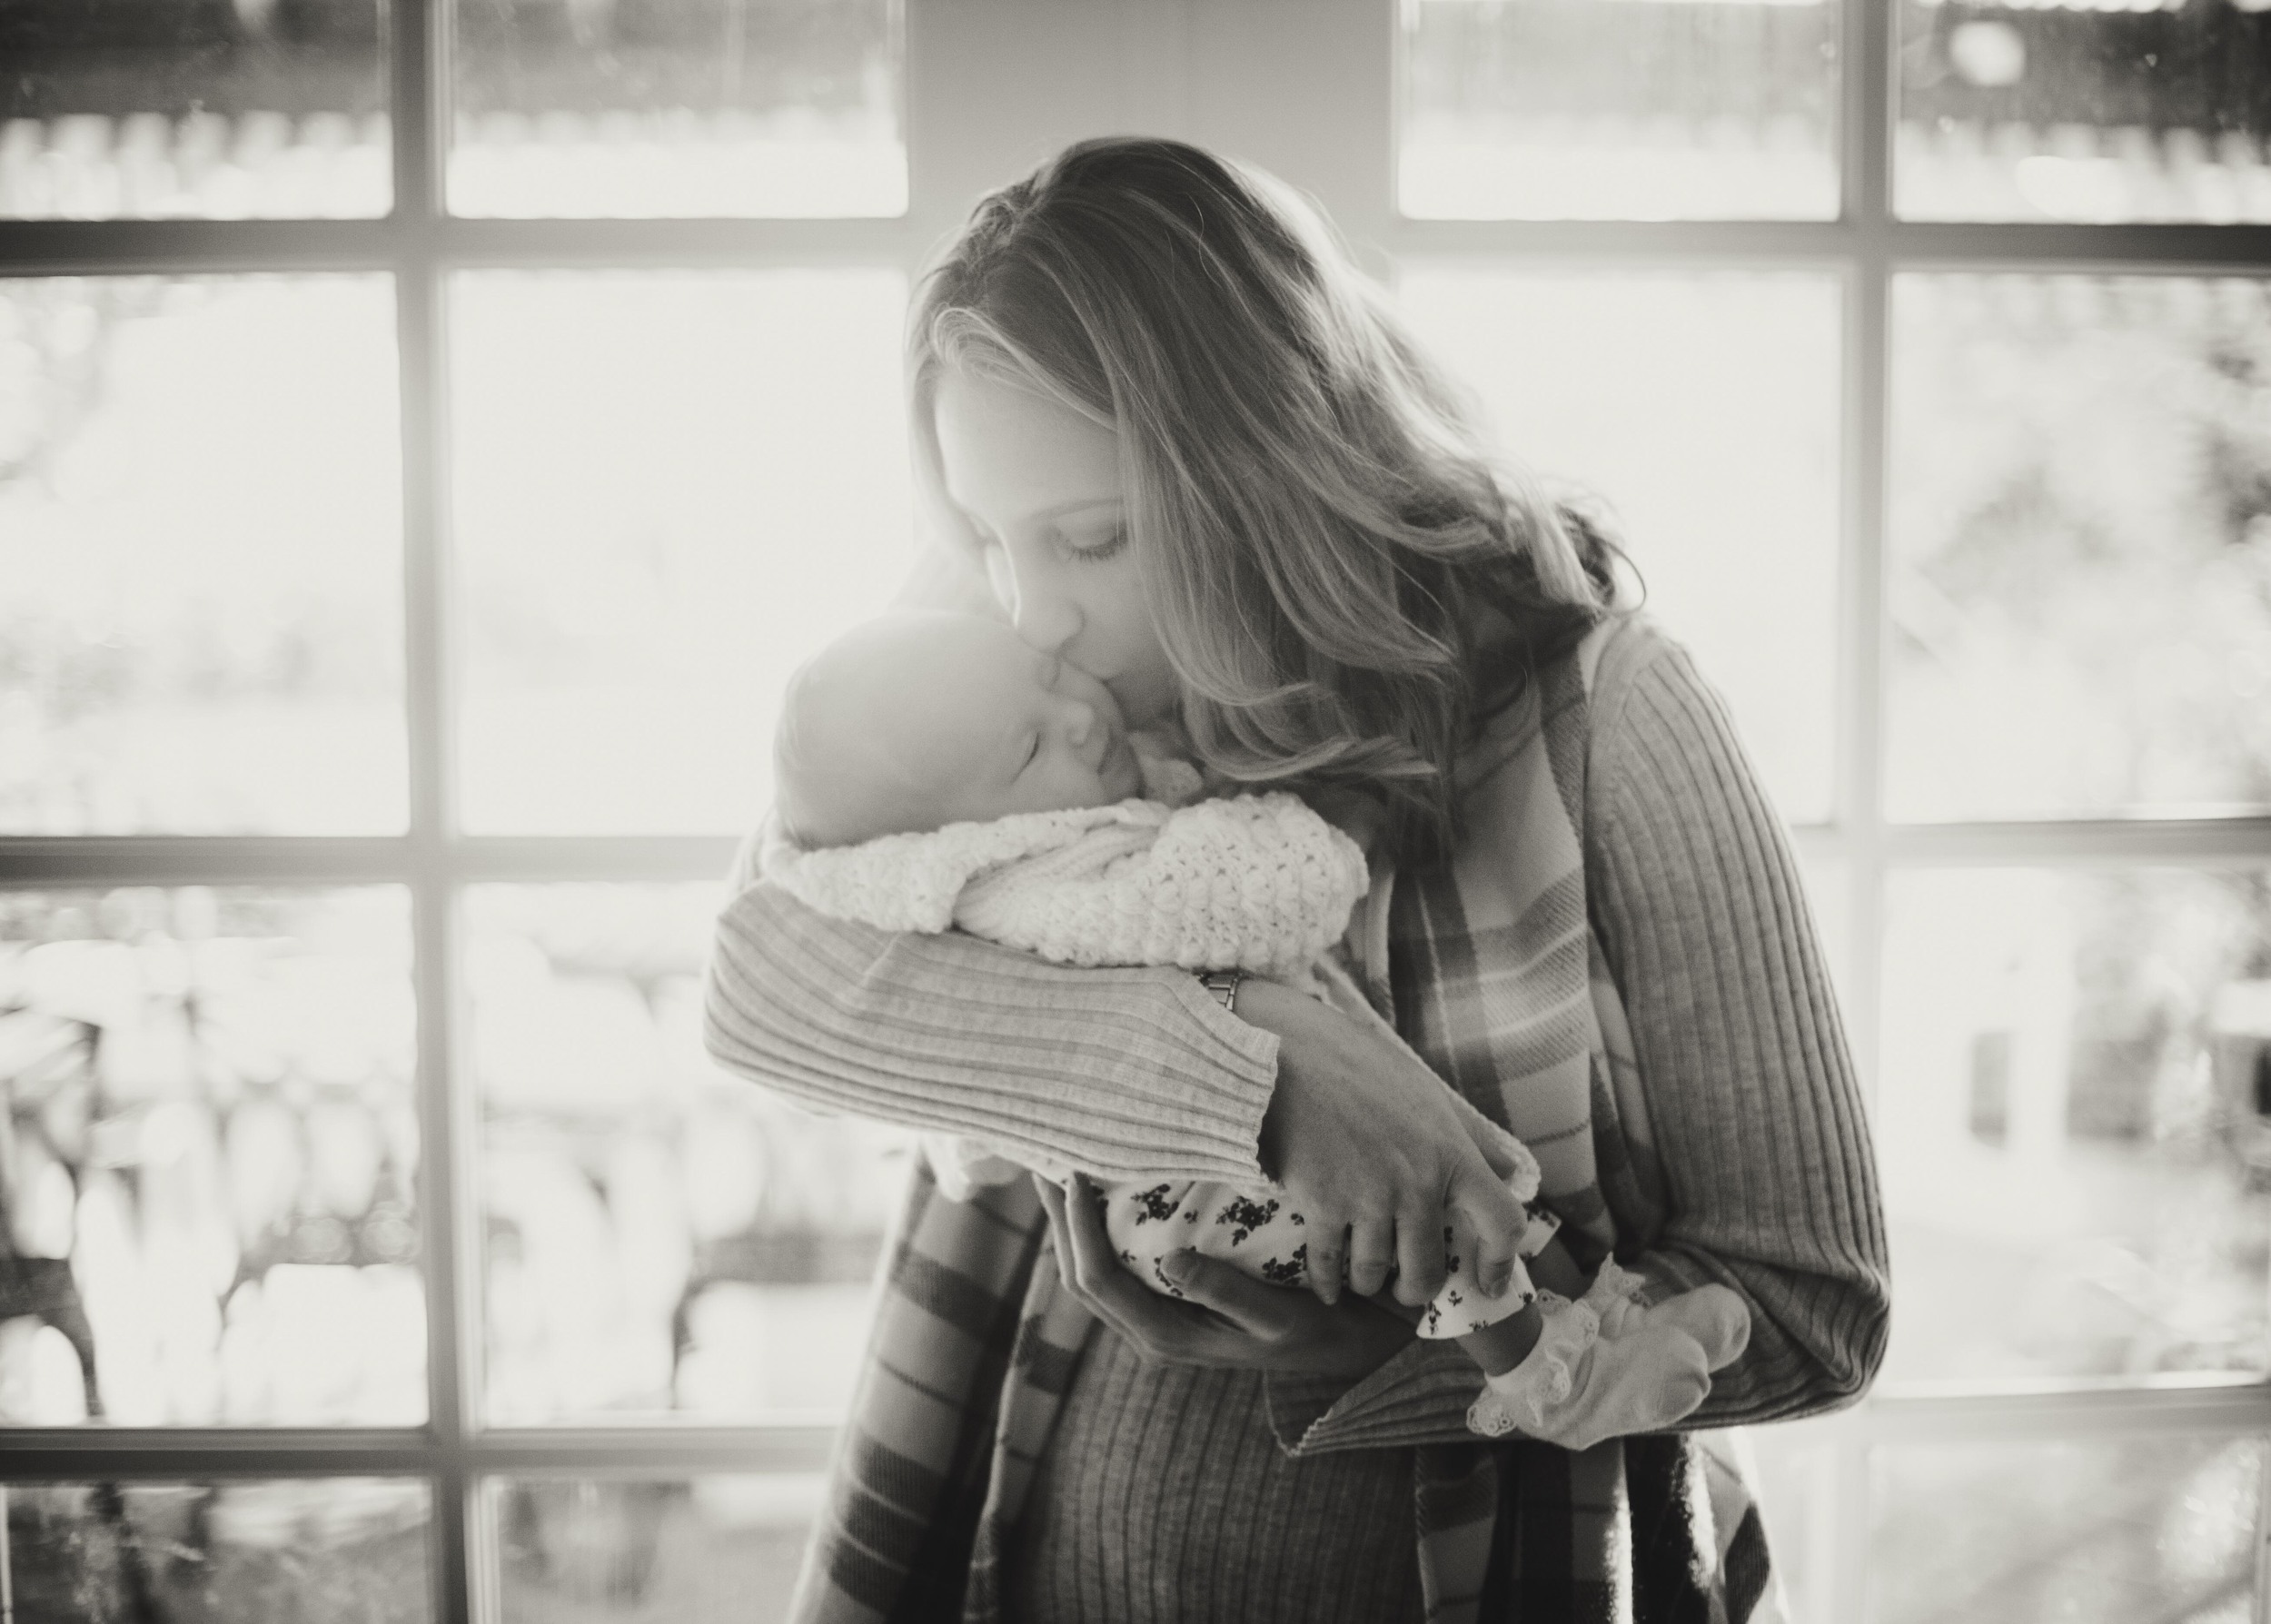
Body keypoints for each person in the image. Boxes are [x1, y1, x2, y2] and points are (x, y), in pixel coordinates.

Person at [704, 135, 1889, 1623]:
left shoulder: (1607, 717)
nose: (1029, 605)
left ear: (1267, 461)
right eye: (980, 536)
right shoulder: (1024, 654)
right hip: (1028, 1543)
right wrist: (1247, 1068)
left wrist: (1395, 1352)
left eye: (1091, 534)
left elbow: (1819, 1302)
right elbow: (760, 978)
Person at [760, 607, 1753, 1446]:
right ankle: (1554, 1384)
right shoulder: (1041, 878)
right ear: (955, 833)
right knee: (1430, 1208)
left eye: (1047, 675)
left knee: (1454, 1186)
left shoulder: (1035, 792)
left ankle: (1600, 1324)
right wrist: (1307, 845)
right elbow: (1249, 897)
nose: (1076, 713)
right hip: (1194, 1182)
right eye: (1029, 744)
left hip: (1193, 1169)